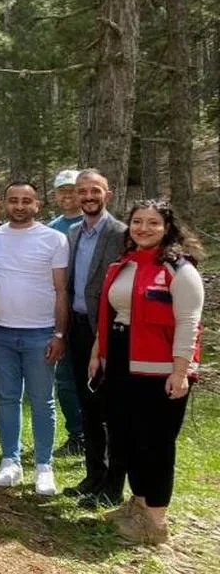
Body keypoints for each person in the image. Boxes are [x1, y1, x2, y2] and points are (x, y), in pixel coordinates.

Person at [90, 200, 203, 544]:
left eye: (153, 223)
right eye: (137, 221)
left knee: (155, 444)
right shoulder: (124, 263)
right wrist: (98, 354)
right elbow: (108, 314)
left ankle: (156, 521)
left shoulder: (179, 269)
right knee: (127, 437)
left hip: (160, 369)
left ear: (167, 228)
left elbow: (189, 324)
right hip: (121, 361)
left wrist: (180, 372)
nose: (144, 228)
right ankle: (138, 505)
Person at [0, 180, 68, 495]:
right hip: (1, 332)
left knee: (42, 401)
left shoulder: (54, 239)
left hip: (41, 333)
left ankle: (44, 466)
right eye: (13, 200)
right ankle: (10, 461)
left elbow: (61, 290)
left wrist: (59, 333)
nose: (19, 206)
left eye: (26, 200)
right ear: (5, 204)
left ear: (37, 205)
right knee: (7, 398)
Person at [63, 169, 128, 508]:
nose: (88, 197)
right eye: (82, 191)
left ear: (108, 194)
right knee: (88, 405)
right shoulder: (74, 233)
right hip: (78, 327)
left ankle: (113, 486)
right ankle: (93, 475)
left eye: (95, 191)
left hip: (109, 329)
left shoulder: (122, 234)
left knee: (112, 409)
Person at [47, 169, 85, 457]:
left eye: (73, 189)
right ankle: (77, 435)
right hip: (60, 312)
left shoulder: (94, 225)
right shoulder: (51, 229)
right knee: (65, 378)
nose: (68, 195)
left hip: (91, 313)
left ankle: (101, 435)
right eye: (62, 190)